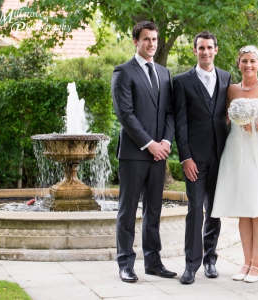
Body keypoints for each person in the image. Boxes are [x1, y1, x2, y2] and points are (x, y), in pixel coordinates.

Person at [111, 21, 176, 283]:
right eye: (146, 39)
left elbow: (170, 112)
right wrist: (150, 144)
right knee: (128, 211)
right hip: (135, 153)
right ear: (136, 42)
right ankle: (125, 263)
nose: (151, 44)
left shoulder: (164, 72)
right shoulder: (123, 72)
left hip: (160, 153)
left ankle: (153, 261)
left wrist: (166, 142)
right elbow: (125, 114)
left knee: (154, 210)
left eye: (154, 39)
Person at [211, 45, 258, 283]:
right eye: (244, 61)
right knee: (243, 209)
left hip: (257, 152)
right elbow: (222, 119)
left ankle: (257, 264)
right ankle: (245, 261)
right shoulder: (230, 90)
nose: (248, 65)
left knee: (257, 208)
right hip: (235, 150)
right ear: (238, 64)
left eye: (252, 61)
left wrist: (257, 126)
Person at [173, 31, 231, 285]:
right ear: (194, 51)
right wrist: (185, 157)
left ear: (216, 50)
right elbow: (180, 123)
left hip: (221, 156)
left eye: (209, 48)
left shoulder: (228, 79)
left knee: (215, 211)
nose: (205, 52)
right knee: (195, 210)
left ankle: (210, 260)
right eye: (201, 48)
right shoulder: (182, 81)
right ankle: (191, 265)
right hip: (195, 159)